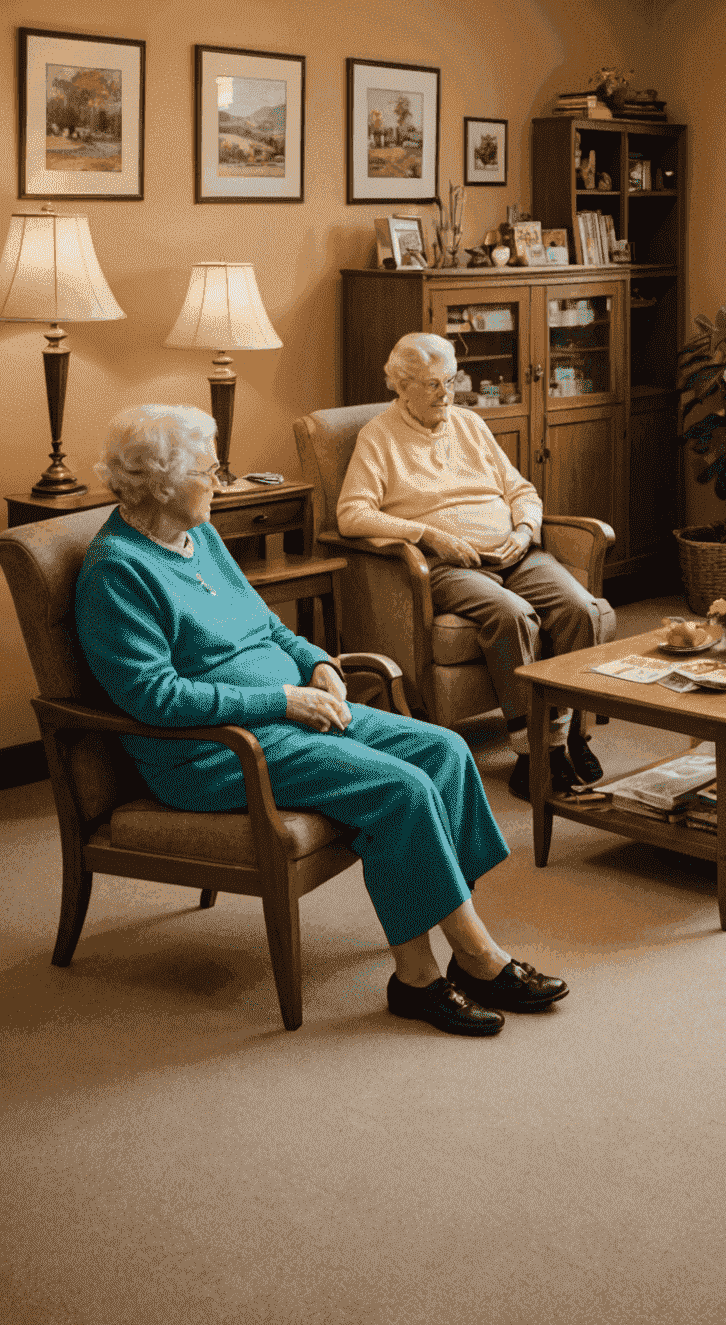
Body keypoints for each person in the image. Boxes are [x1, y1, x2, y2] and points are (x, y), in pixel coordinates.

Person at [75, 404, 568, 1038]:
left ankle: (458, 948)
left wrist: (317, 664)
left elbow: (269, 626)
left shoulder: (201, 536)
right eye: (208, 470)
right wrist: (282, 700)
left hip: (289, 713)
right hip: (211, 752)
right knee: (401, 789)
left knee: (444, 751)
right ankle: (436, 973)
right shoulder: (117, 568)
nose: (220, 483)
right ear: (158, 483)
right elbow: (155, 697)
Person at [336, 332, 616, 798]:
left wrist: (525, 531)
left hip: (516, 553)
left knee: (581, 609)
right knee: (512, 615)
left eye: (450, 380)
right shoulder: (378, 438)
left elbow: (521, 490)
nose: (446, 394)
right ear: (400, 386)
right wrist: (430, 536)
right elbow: (352, 515)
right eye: (431, 385)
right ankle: (533, 756)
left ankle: (568, 737)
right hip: (449, 568)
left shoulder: (469, 424)